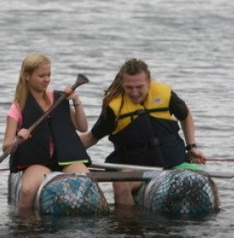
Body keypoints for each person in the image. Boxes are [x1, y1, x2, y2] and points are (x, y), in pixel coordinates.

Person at [80, 58, 207, 206]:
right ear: (122, 83)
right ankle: (126, 225)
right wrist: (61, 153)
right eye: (129, 87)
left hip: (174, 163)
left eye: (139, 87)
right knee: (120, 184)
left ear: (149, 81)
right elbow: (91, 137)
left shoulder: (166, 94)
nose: (134, 92)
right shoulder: (114, 107)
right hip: (137, 168)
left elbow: (186, 116)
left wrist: (192, 147)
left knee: (209, 185)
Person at [3, 52, 91, 210]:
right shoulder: (17, 107)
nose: (47, 79)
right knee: (28, 190)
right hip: (37, 162)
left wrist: (76, 101)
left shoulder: (59, 98)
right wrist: (18, 137)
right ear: (27, 76)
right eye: (41, 75)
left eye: (49, 75)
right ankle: (25, 228)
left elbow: (83, 127)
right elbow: (6, 146)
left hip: (66, 160)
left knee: (88, 182)